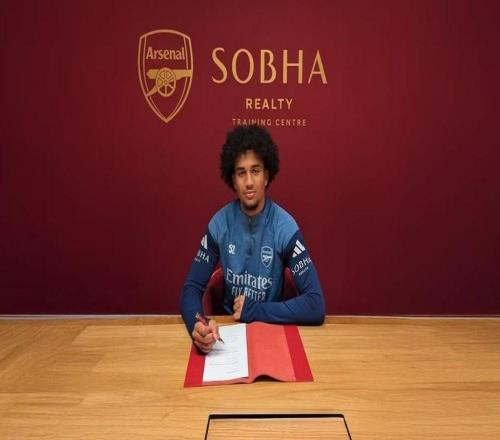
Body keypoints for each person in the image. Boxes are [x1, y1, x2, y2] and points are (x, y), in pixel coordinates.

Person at [180, 125, 325, 353]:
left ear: (266, 176)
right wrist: (198, 324)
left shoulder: (285, 227)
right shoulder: (219, 224)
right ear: (233, 180)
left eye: (255, 171)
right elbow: (191, 288)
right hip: (228, 338)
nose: (248, 182)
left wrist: (257, 310)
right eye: (241, 173)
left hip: (272, 333)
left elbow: (315, 305)